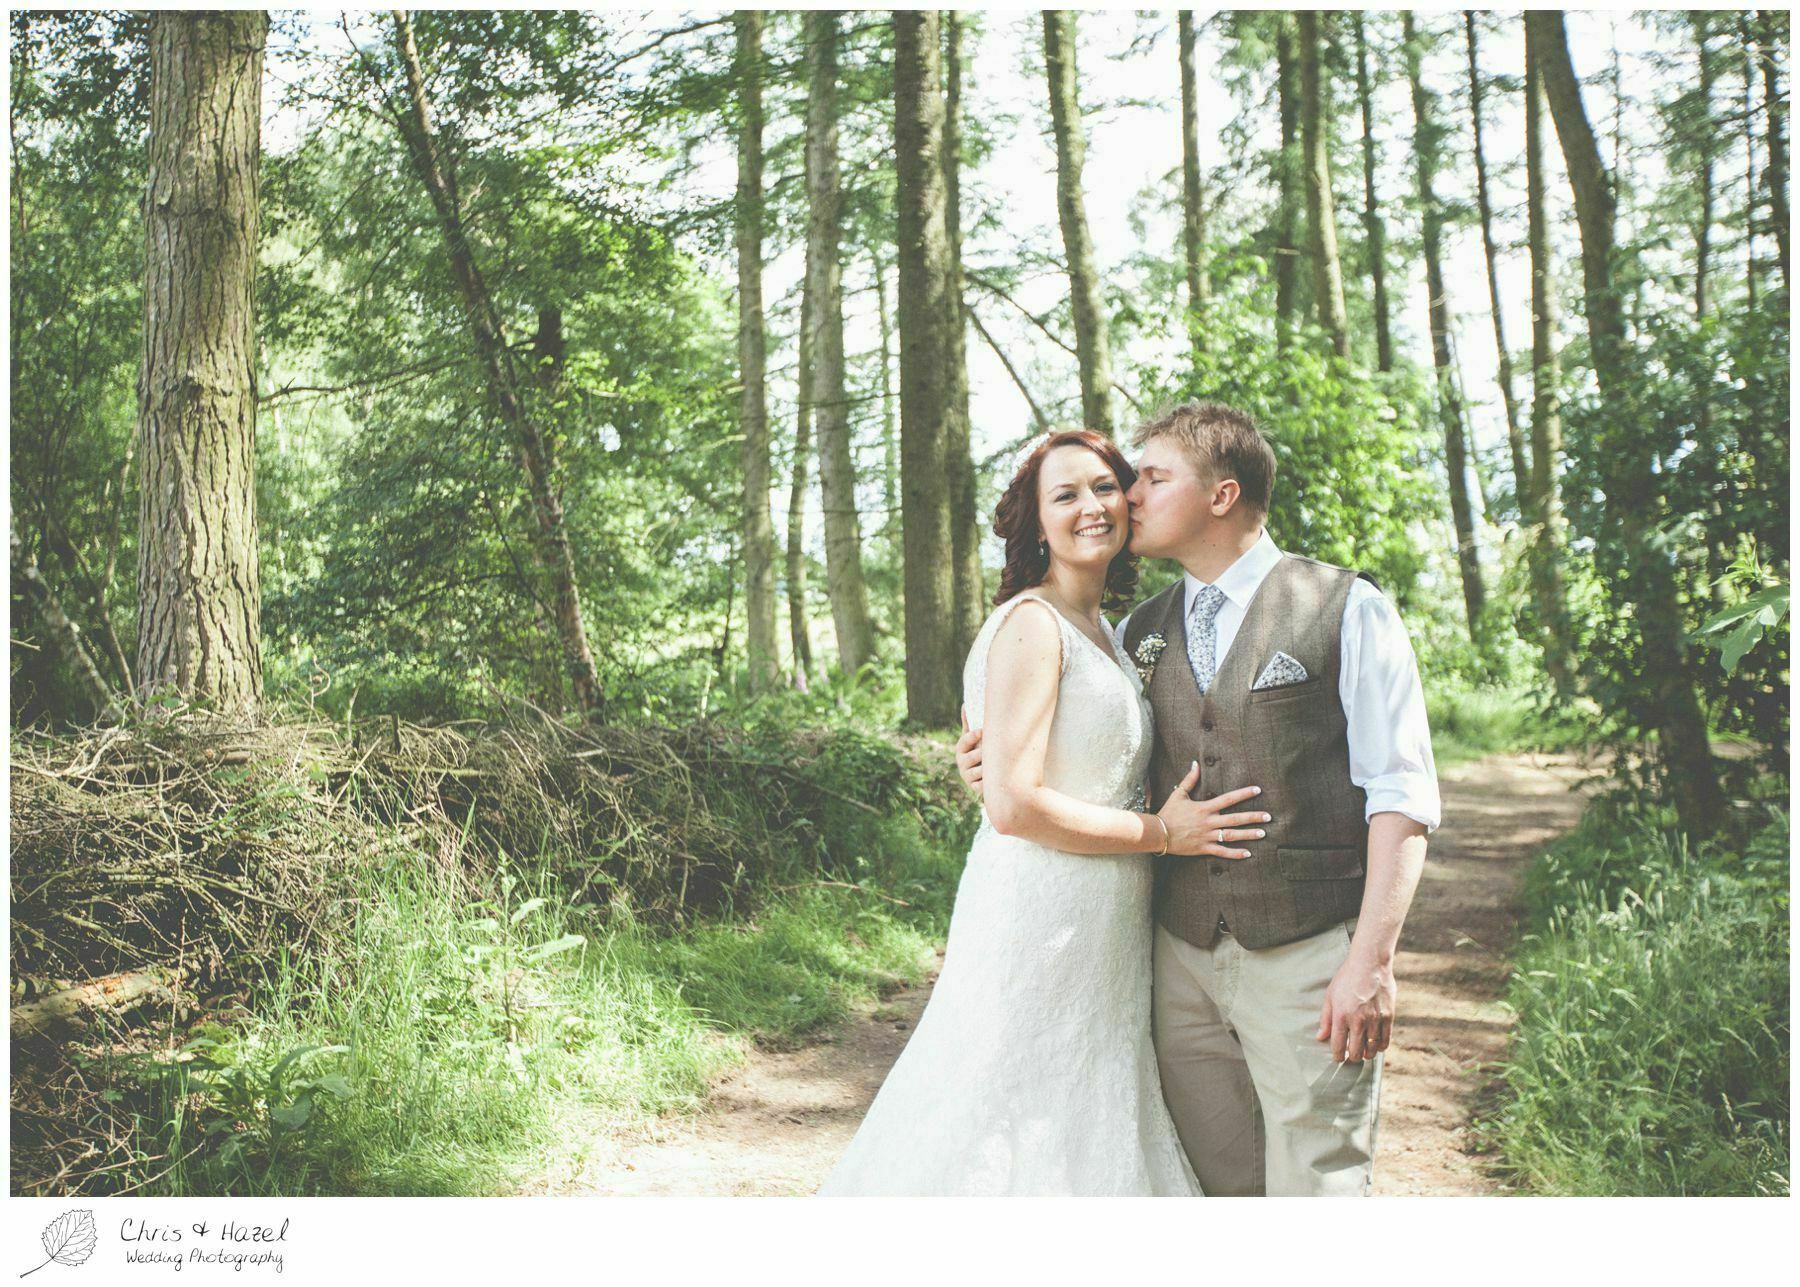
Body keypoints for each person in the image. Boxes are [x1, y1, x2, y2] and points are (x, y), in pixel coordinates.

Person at [956, 402, 1439, 1197]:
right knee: (1210, 1190)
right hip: (1172, 960)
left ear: (1220, 495)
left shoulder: (1346, 607)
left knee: (1318, 1186)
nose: (1127, 496)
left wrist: (1372, 960)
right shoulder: (1133, 632)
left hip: (1307, 956)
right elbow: (1072, 745)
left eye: (1150, 477)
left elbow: (1403, 793)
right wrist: (987, 761)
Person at [817, 430, 1268, 1196]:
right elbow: (1016, 803)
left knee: (1087, 1118)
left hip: (1105, 937)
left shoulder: (1116, 635)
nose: (1091, 506)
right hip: (1036, 923)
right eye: (1065, 495)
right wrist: (1164, 832)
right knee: (1002, 1114)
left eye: (1103, 487)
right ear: (1035, 524)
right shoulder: (1033, 624)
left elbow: (1050, 765)